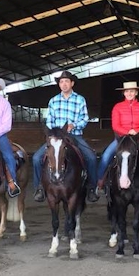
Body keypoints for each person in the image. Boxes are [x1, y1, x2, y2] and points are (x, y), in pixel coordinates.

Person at [32, 70, 99, 203]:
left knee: (91, 157)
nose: (64, 84)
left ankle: (91, 187)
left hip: (75, 136)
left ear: (72, 83)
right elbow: (50, 120)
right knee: (36, 158)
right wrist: (53, 133)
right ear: (59, 84)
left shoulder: (80, 99)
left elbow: (85, 119)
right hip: (56, 137)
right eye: (61, 82)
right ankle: (39, 187)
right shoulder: (53, 101)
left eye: (66, 81)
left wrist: (74, 125)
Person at [96, 81, 139, 198]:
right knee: (106, 156)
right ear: (124, 93)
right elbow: (115, 125)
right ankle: (99, 183)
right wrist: (127, 132)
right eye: (127, 91)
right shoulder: (117, 107)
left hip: (138, 139)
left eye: (132, 91)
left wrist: (137, 132)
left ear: (136, 92)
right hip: (121, 139)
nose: (129, 93)